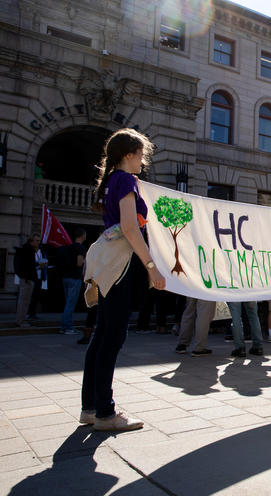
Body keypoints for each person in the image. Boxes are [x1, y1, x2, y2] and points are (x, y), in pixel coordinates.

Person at [81, 128, 165, 431]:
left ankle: (90, 408)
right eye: (141, 155)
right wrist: (152, 266)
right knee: (113, 336)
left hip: (106, 263)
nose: (143, 162)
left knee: (101, 335)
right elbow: (131, 228)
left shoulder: (112, 181)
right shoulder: (126, 181)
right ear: (128, 155)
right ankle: (106, 412)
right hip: (121, 263)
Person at [58, 228, 87, 334]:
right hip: (75, 278)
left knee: (68, 302)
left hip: (66, 277)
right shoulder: (81, 248)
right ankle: (67, 327)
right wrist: (86, 260)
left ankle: (66, 326)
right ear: (83, 235)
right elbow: (79, 263)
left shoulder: (67, 247)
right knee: (71, 303)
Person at [13, 234, 42, 328]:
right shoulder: (28, 250)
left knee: (24, 300)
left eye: (39, 240)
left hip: (26, 278)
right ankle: (20, 321)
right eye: (37, 240)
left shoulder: (26, 249)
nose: (38, 242)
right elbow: (28, 266)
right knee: (24, 301)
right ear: (31, 241)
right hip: (27, 279)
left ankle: (20, 320)